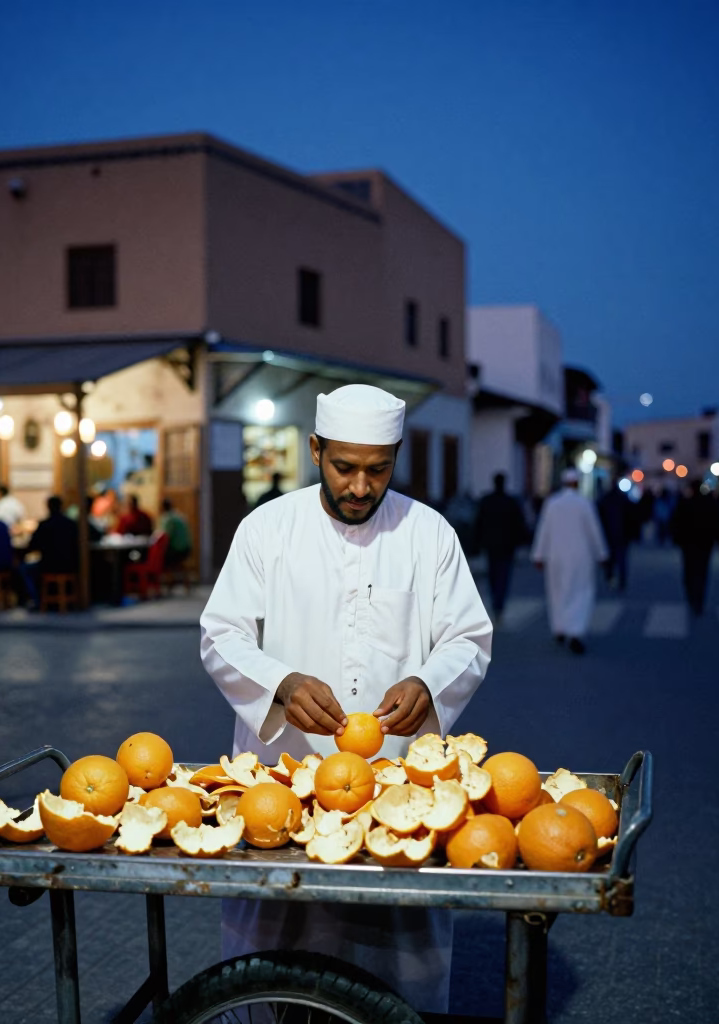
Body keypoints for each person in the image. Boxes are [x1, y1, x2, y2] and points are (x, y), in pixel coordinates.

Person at [200, 384, 493, 1012]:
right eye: (345, 467)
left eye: (378, 469)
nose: (361, 486)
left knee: (394, 961)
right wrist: (279, 683)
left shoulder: (429, 534)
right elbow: (219, 634)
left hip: (396, 788)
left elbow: (468, 636)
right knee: (277, 957)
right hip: (284, 784)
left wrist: (428, 683)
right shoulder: (267, 529)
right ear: (314, 450)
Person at [530, 469, 609, 654]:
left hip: (555, 556)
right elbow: (594, 531)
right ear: (577, 484)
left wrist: (538, 555)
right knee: (580, 592)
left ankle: (560, 628)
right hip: (581, 557)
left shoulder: (552, 503)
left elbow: (544, 530)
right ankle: (575, 631)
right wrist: (602, 554)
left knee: (557, 592)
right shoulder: (584, 504)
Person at [473, 472, 528, 621]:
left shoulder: (487, 501)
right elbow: (519, 523)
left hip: (492, 545)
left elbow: (479, 523)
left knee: (493, 575)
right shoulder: (511, 502)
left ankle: (496, 603)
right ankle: (499, 604)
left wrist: (478, 543)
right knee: (503, 575)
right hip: (507, 545)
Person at [670, 482, 719, 616]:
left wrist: (677, 538)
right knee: (702, 572)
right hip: (704, 543)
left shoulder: (686, 504)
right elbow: (717, 522)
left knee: (689, 571)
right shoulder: (709, 504)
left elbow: (676, 522)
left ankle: (692, 596)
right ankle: (698, 599)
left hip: (689, 544)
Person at [20, 495, 80, 606]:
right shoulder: (71, 524)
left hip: (48, 565)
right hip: (70, 565)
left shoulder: (44, 525)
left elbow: (32, 545)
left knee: (24, 569)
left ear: (48, 507)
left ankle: (37, 600)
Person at [597, 481, 641, 591]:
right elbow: (632, 517)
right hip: (621, 535)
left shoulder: (605, 500)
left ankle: (612, 578)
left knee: (612, 559)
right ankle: (621, 580)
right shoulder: (623, 499)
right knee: (621, 559)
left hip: (611, 535)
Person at [159, 498, 192, 568]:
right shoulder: (178, 515)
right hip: (186, 549)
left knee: (157, 557)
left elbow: (166, 536)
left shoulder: (168, 518)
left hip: (177, 550)